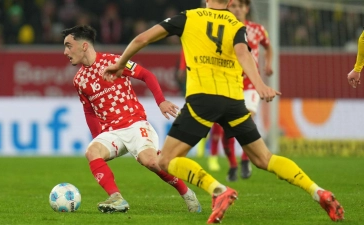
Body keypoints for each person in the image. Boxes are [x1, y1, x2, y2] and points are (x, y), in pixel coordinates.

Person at [103, 0, 344, 223]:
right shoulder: (235, 24)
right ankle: (317, 191)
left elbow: (141, 39)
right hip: (233, 100)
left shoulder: (188, 17)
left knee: (166, 160)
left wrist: (121, 63)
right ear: (229, 2)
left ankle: (218, 190)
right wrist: (259, 85)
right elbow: (243, 53)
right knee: (264, 158)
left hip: (203, 99)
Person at [61, 25, 201, 214]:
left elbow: (146, 75)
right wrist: (97, 136)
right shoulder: (79, 80)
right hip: (112, 132)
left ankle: (186, 193)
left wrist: (160, 101)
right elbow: (89, 110)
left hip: (135, 124)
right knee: (92, 151)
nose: (65, 52)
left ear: (84, 46)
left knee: (151, 162)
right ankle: (116, 198)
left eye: (69, 46)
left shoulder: (115, 61)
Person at [211, 0, 275, 181]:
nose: (237, 9)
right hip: (228, 82)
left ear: (246, 9)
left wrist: (268, 64)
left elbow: (269, 47)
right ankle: (232, 165)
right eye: (233, 6)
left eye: (240, 6)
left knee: (247, 121)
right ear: (228, 8)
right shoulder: (221, 28)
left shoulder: (257, 29)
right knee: (226, 128)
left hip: (249, 85)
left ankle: (246, 159)